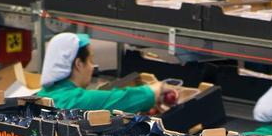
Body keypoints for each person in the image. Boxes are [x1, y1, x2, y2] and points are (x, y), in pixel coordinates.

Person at [36, 32, 171, 112]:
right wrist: (156, 90)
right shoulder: (74, 101)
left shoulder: (41, 95)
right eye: (90, 60)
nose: (92, 67)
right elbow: (120, 99)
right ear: (78, 64)